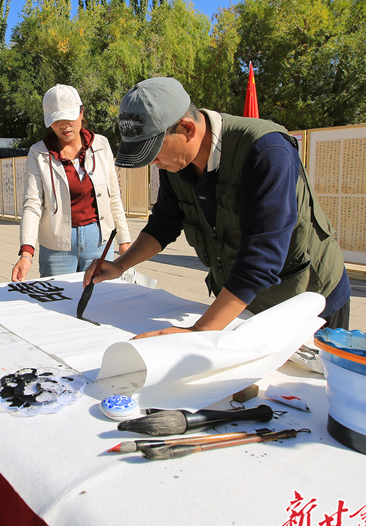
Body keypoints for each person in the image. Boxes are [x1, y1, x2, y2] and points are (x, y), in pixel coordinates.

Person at [86, 76, 351, 338]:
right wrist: (120, 265)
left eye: (153, 151)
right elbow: (164, 224)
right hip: (242, 302)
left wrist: (198, 333)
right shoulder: (176, 162)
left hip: (308, 300)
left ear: (187, 129)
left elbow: (263, 256)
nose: (153, 162)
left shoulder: (266, 151)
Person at [12, 84, 132, 281]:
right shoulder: (39, 153)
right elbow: (32, 204)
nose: (64, 125)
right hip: (57, 245)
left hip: (99, 240)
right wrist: (26, 252)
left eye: (69, 118)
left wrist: (124, 240)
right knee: (58, 304)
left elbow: (114, 196)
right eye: (57, 120)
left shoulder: (101, 145)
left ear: (81, 112)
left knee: (99, 300)